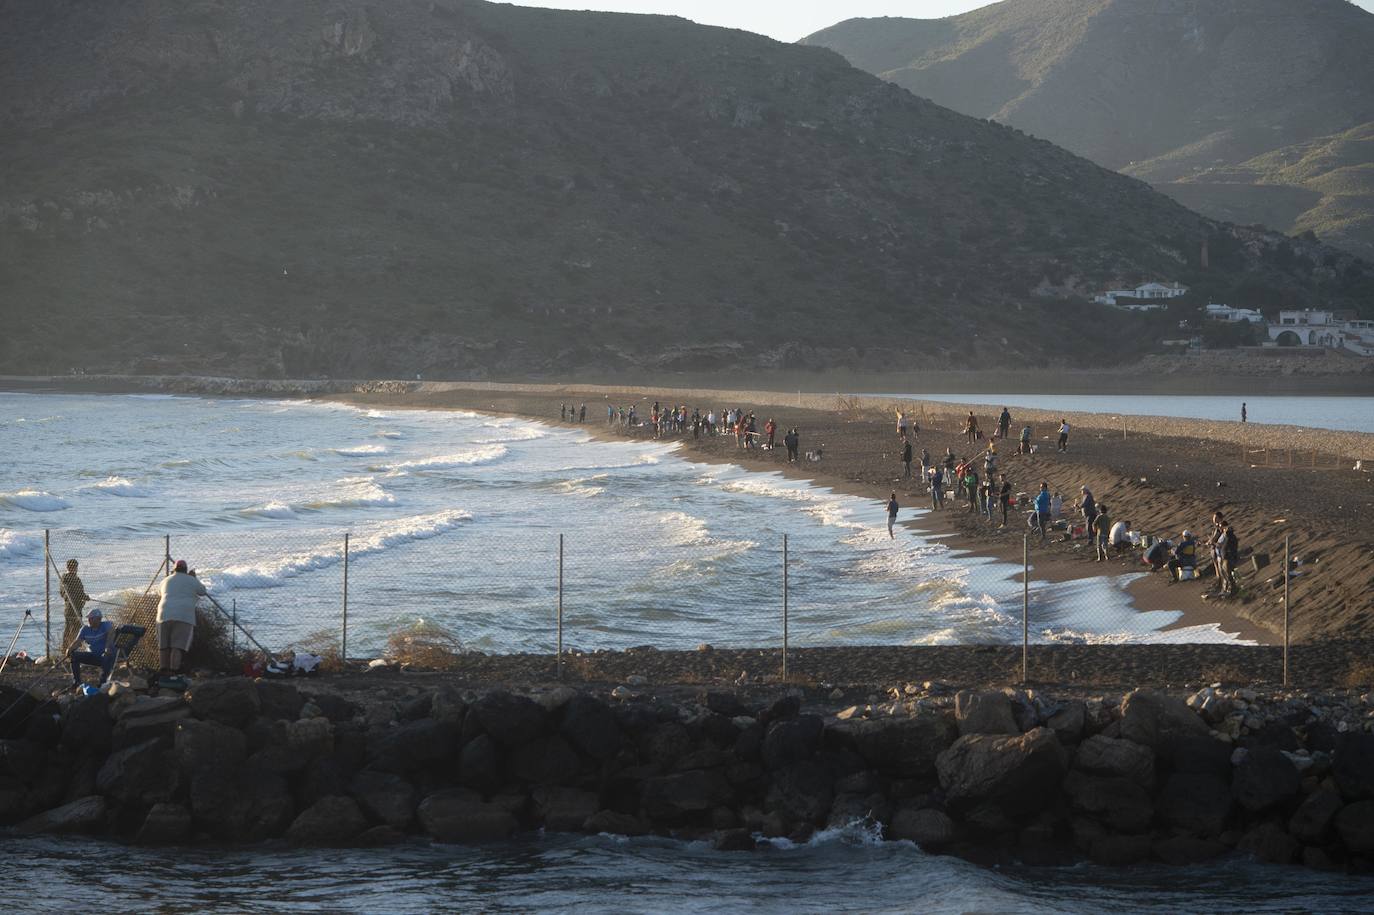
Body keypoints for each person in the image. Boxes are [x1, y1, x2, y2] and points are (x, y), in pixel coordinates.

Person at [156, 559, 206, 678]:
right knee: (177, 646)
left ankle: (163, 671)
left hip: (163, 614)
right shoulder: (191, 580)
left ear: (174, 569)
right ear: (186, 569)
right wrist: (194, 578)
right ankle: (174, 672)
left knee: (163, 645)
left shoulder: (165, 580)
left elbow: (159, 593)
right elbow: (203, 591)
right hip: (183, 615)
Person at [69, 607, 116, 687]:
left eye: (91, 618)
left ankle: (102, 683)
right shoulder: (85, 629)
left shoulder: (105, 625)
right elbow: (77, 642)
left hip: (104, 656)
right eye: (89, 618)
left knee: (107, 656)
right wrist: (70, 649)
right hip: (92, 655)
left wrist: (107, 646)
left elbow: (111, 631)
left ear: (98, 619)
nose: (89, 620)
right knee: (74, 656)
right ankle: (76, 681)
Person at [59, 558, 90, 652]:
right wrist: (74, 597)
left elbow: (80, 592)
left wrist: (85, 597)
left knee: (77, 627)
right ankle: (65, 648)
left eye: (75, 567)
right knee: (69, 627)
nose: (75, 568)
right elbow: (64, 593)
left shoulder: (77, 578)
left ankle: (72, 646)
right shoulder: (65, 577)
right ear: (68, 567)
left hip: (78, 606)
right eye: (73, 567)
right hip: (70, 607)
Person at [1219, 521, 1240, 596]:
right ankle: (1231, 589)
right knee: (1228, 574)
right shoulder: (1230, 537)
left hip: (1228, 559)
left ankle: (1233, 589)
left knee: (1229, 574)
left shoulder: (1230, 538)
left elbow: (1230, 548)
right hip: (1227, 558)